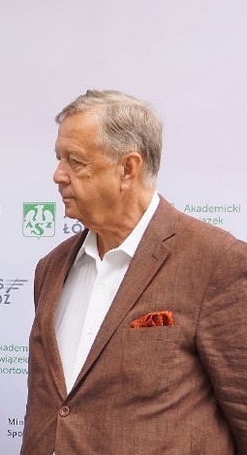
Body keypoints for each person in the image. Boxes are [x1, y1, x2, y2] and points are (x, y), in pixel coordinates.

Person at [21, 90, 247, 454]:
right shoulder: (51, 268)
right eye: (59, 159)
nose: (58, 175)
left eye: (75, 161)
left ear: (128, 168)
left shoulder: (216, 261)